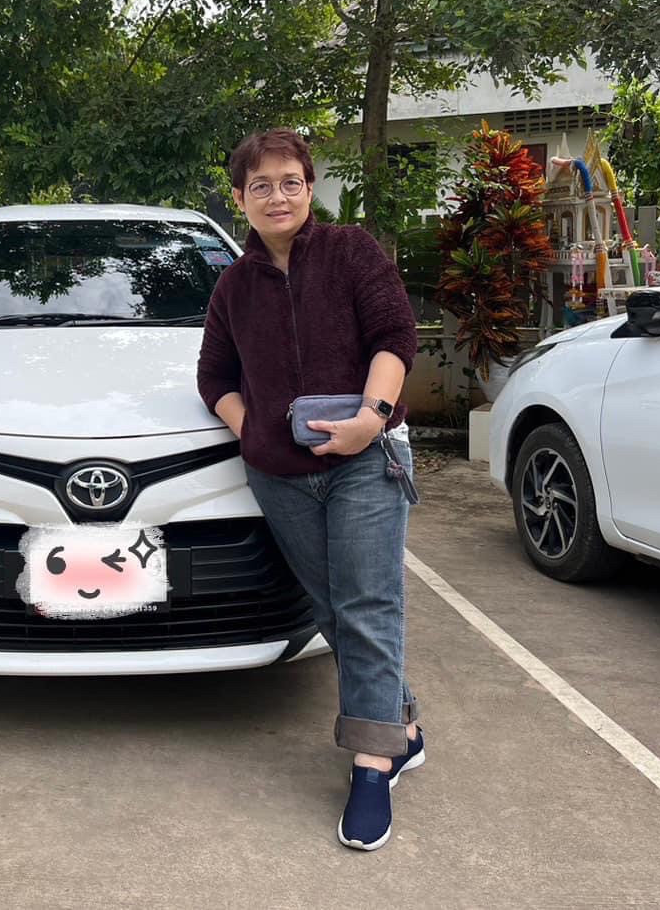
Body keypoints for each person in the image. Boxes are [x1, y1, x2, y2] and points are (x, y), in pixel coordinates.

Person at [196, 127, 422, 852]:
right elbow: (213, 376)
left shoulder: (351, 251)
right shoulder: (234, 286)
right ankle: (401, 725)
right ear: (240, 199)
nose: (277, 196)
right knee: (332, 606)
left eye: (289, 181)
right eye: (260, 186)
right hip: (281, 476)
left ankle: (371, 765)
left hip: (365, 460)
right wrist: (253, 430)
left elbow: (395, 337)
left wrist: (370, 418)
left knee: (367, 603)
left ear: (309, 187)